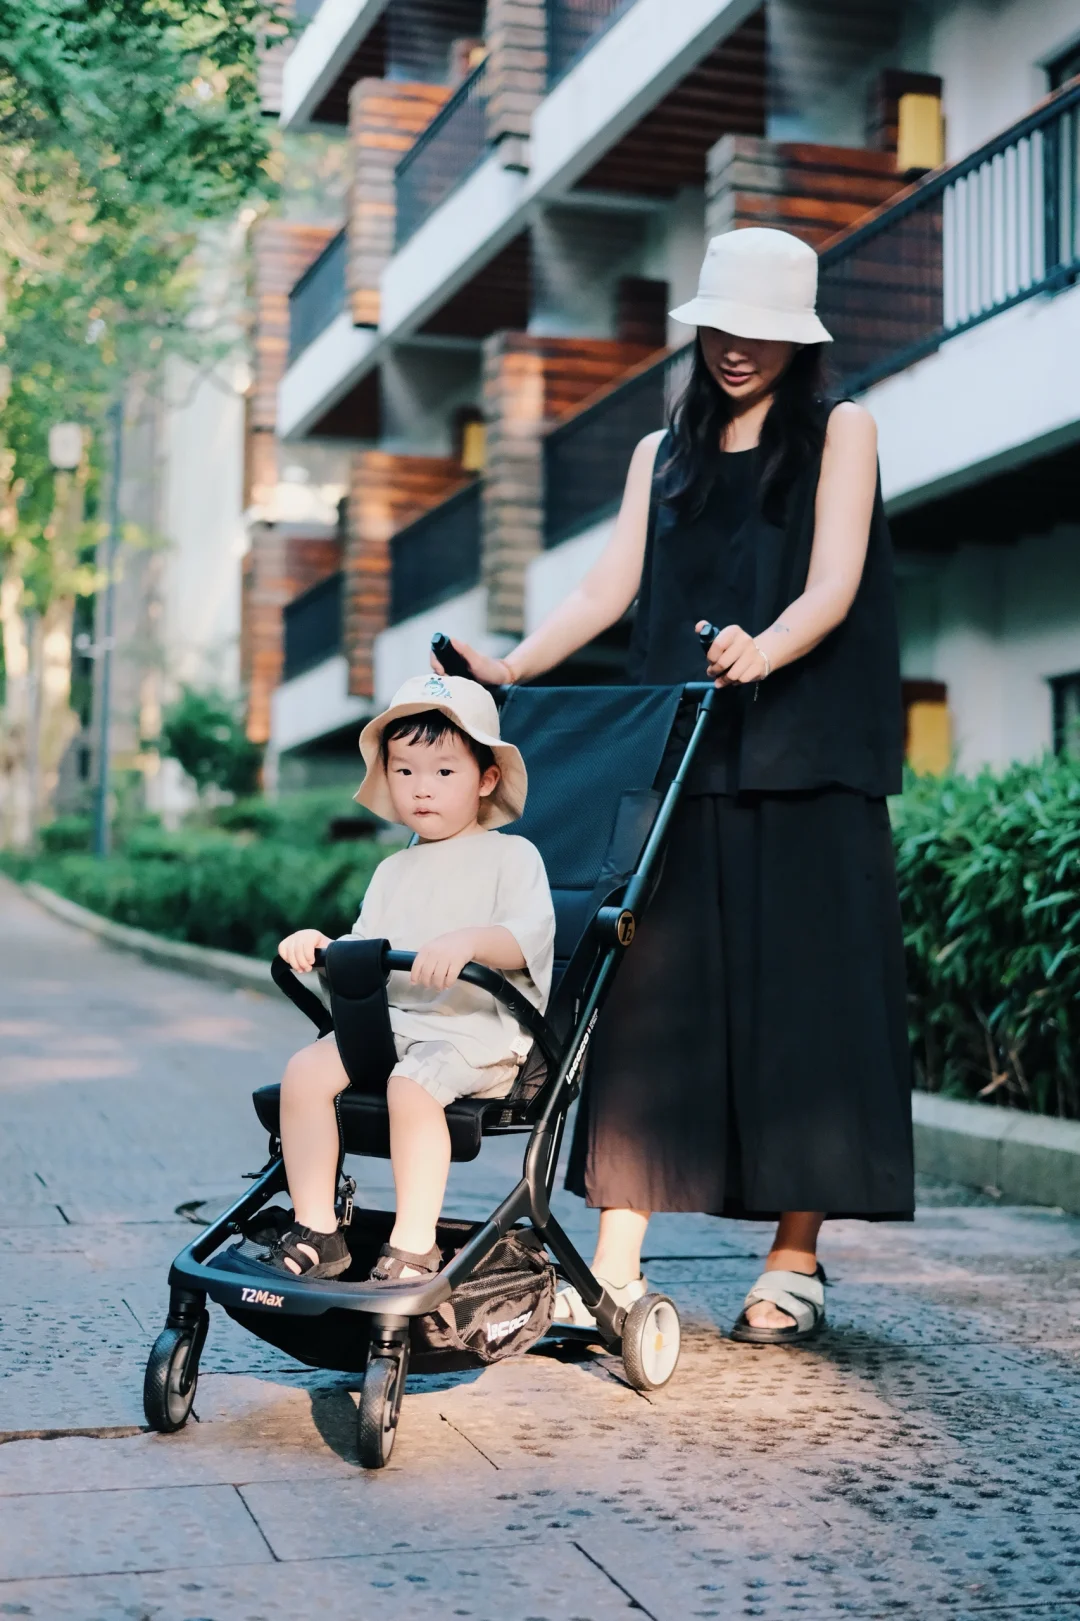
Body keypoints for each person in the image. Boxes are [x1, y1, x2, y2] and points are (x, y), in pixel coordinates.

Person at [434, 227, 913, 1343]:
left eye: (761, 331)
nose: (736, 349)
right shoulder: (663, 452)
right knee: (649, 1008)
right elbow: (608, 589)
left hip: (809, 763)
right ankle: (612, 1259)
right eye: (720, 328)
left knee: (809, 1006)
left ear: (798, 339)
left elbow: (835, 583)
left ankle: (795, 1255)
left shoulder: (845, 431)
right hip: (684, 755)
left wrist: (768, 645)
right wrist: (510, 665)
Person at [261, 673, 555, 1284]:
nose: (423, 789)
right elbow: (368, 953)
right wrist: (323, 949)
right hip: (394, 1024)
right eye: (405, 772)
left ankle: (414, 1242)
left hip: (475, 1030)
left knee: (411, 1089)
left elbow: (527, 938)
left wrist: (470, 940)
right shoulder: (394, 870)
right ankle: (318, 1226)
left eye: (444, 772)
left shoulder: (512, 857)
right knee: (305, 1072)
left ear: (486, 779)